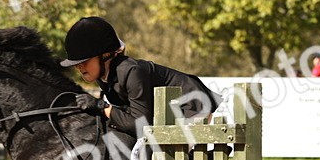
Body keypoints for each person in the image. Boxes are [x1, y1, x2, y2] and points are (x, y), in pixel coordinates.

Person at [59, 16, 219, 139]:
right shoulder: (104, 74)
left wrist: (101, 106)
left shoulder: (130, 71)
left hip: (192, 105)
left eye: (84, 61)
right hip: (162, 112)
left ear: (105, 55)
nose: (79, 66)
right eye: (77, 62)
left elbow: (142, 126)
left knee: (169, 153)